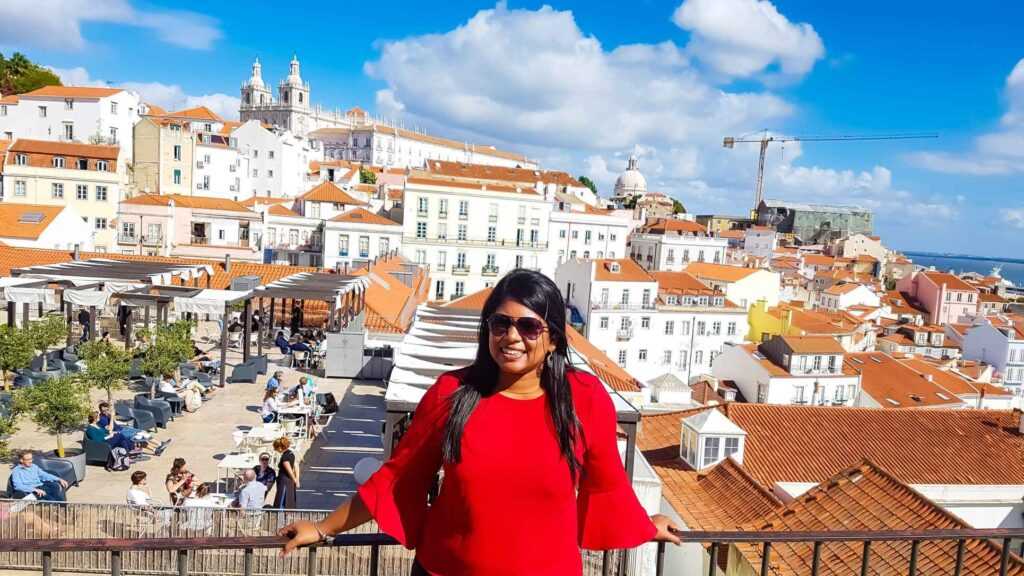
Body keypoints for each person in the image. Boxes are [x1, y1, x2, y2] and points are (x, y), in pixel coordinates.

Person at [278, 269, 680, 572]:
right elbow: (399, 479)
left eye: (528, 326)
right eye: (500, 323)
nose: (511, 336)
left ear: (554, 337)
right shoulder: (453, 393)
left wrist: (645, 525)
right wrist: (323, 527)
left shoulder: (585, 399)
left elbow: (607, 483)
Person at [86, 412, 169, 456]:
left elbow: (105, 431)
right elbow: (97, 440)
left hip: (110, 437)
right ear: (95, 419)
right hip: (104, 443)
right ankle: (129, 451)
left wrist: (111, 433)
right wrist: (109, 436)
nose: (99, 419)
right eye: (98, 418)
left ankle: (155, 449)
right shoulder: (90, 428)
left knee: (128, 438)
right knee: (123, 437)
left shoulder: (96, 425)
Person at [272, 437, 298, 509]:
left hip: (284, 481)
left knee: (282, 501)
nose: (275, 450)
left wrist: (294, 479)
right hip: (290, 481)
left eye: (276, 448)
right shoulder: (291, 453)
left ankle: (281, 518)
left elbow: (289, 469)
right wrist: (296, 479)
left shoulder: (285, 457)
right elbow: (296, 466)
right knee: (290, 500)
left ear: (280, 447)